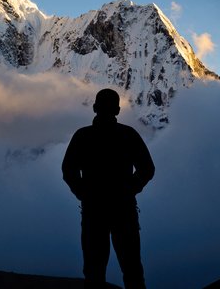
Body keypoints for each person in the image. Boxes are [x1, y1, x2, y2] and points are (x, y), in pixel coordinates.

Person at [62, 88, 155, 289]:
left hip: (93, 211)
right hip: (124, 210)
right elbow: (147, 169)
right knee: (132, 269)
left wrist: (82, 193)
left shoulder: (83, 136)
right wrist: (130, 189)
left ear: (95, 108)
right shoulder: (128, 134)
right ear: (118, 110)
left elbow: (68, 170)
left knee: (94, 271)